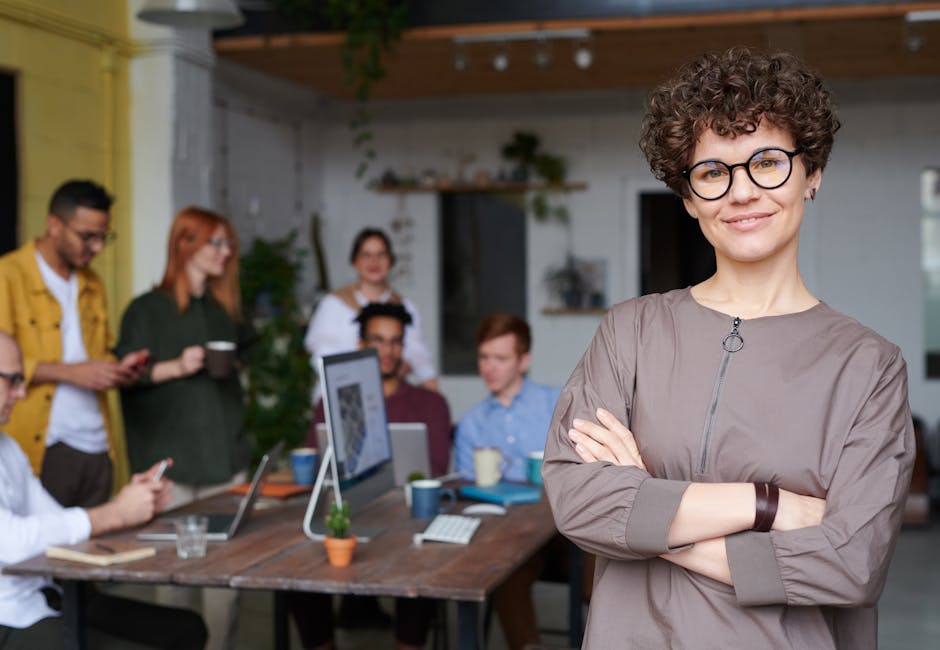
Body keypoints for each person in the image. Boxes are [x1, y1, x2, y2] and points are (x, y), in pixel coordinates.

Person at [542, 47, 915, 649]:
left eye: (767, 162)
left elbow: (851, 563)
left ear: (811, 174)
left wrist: (648, 506)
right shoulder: (629, 332)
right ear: (689, 197)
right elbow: (581, 504)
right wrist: (767, 506)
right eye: (714, 171)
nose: (742, 192)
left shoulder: (868, 366)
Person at [0, 331, 207, 650]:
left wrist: (133, 504)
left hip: (49, 598)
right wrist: (115, 513)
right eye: (12, 379)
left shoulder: (8, 448)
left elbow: (58, 521)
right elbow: (11, 543)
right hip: (10, 616)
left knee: (187, 629)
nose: (22, 391)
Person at [114, 207, 249, 650]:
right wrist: (174, 367)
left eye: (229, 244)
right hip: (171, 468)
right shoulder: (146, 310)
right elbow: (123, 377)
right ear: (185, 243)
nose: (226, 253)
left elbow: (230, 393)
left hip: (223, 465)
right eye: (217, 242)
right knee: (173, 588)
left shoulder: (221, 312)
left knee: (224, 590)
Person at [289, 302, 452, 650]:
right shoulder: (331, 402)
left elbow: (436, 468)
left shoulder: (430, 404)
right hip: (348, 512)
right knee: (299, 568)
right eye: (378, 340)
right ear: (361, 346)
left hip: (406, 518)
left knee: (422, 560)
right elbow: (318, 464)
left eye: (395, 341)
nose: (387, 350)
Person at [0, 179, 149, 507]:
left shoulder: (92, 283)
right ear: (54, 224)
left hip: (98, 446)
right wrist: (72, 373)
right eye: (87, 236)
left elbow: (97, 353)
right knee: (46, 552)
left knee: (99, 549)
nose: (96, 248)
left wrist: (118, 369)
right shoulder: (7, 275)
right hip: (44, 446)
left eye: (103, 237)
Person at [454, 313, 573, 650]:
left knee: (601, 546)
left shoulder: (556, 403)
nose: (489, 368)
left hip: (564, 531)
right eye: (484, 357)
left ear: (524, 361)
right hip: (512, 537)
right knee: (503, 565)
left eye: (501, 359)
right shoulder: (472, 424)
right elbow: (467, 492)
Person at [304, 227, 437, 392]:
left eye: (381, 254)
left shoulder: (404, 307)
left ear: (391, 261)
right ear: (355, 262)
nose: (374, 262)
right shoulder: (333, 304)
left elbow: (418, 355)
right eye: (366, 255)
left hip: (389, 394)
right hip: (341, 392)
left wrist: (427, 381)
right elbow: (321, 355)